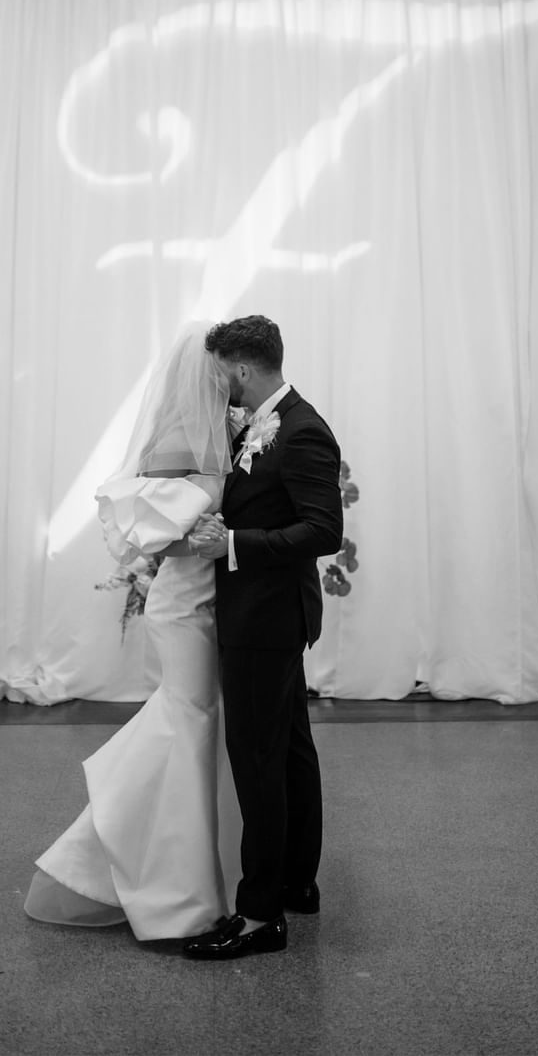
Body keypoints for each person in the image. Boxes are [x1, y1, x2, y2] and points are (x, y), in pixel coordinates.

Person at [23, 322, 241, 941]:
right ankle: (173, 888)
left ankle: (214, 873)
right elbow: (150, 531)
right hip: (185, 602)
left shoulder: (222, 433)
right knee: (189, 722)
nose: (229, 379)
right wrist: (199, 539)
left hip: (209, 599)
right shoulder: (180, 439)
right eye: (223, 369)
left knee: (202, 725)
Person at [183, 315, 343, 961]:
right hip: (271, 616)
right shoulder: (261, 422)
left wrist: (231, 544)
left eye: (220, 372)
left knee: (258, 761)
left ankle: (258, 916)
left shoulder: (302, 431)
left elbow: (323, 531)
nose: (216, 383)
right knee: (291, 753)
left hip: (265, 620)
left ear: (242, 370)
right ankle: (297, 882)